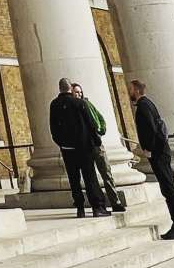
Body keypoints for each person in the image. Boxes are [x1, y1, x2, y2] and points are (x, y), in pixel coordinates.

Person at [129, 78, 174, 240]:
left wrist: (148, 149)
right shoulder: (149, 103)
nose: (129, 92)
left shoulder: (143, 106)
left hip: (157, 153)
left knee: (168, 189)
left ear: (136, 90)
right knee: (170, 187)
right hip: (162, 151)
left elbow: (150, 129)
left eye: (131, 89)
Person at [49, 76, 110, 218]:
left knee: (74, 179)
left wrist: (61, 143)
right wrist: (96, 142)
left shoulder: (54, 105)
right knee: (90, 178)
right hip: (84, 148)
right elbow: (91, 124)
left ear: (60, 89)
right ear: (70, 88)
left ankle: (80, 208)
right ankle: (97, 207)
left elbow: (53, 128)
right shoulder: (79, 103)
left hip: (67, 149)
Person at [70, 82, 125, 213]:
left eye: (80, 92)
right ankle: (100, 205)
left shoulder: (87, 104)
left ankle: (115, 201)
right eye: (76, 92)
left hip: (96, 144)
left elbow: (99, 118)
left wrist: (100, 130)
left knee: (106, 172)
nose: (79, 94)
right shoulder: (72, 109)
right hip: (85, 147)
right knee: (92, 177)